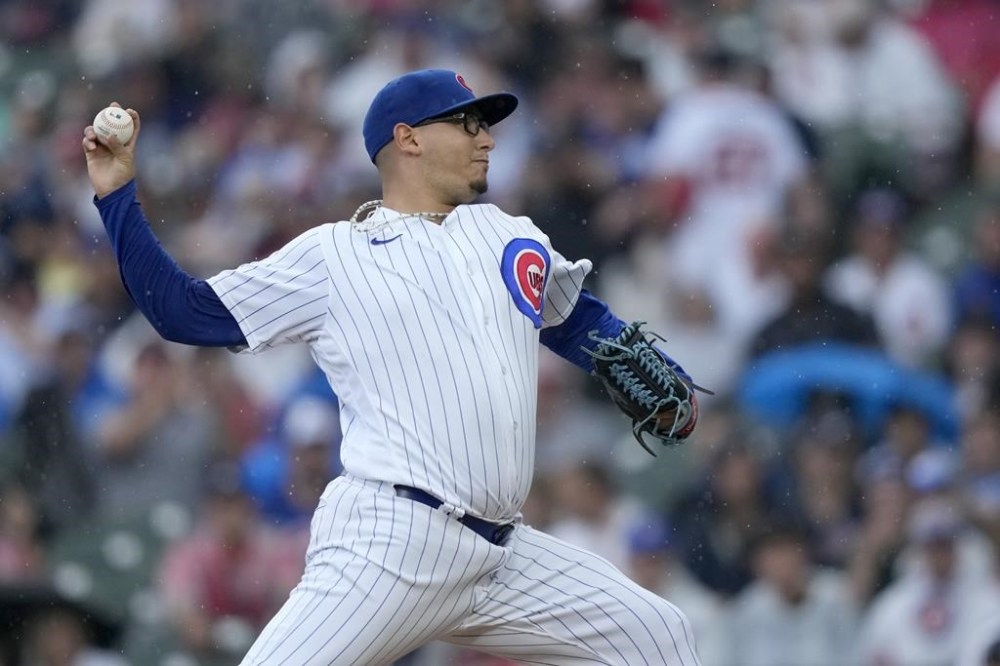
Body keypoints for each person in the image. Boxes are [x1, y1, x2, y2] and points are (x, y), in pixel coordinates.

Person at [81, 69, 703, 665]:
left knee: (659, 640)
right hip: (393, 541)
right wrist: (116, 195)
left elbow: (577, 321)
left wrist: (642, 361)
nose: (486, 138)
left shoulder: (511, 233)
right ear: (407, 138)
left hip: (502, 556)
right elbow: (179, 312)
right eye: (466, 124)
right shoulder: (333, 256)